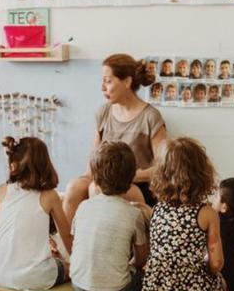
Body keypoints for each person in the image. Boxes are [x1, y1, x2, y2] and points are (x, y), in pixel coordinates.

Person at [142, 138, 226, 291]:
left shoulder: (157, 208)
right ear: (203, 173)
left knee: (176, 289)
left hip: (155, 287)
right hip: (188, 289)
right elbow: (217, 263)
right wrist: (212, 272)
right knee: (218, 286)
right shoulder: (206, 212)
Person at [0, 136, 74, 291]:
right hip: (33, 276)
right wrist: (75, 261)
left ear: (13, 165)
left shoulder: (2, 191)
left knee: (24, 267)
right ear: (45, 165)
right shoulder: (50, 196)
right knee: (68, 269)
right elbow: (67, 237)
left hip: (0, 273)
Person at [69, 141, 149, 291]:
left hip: (79, 283)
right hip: (115, 288)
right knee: (149, 278)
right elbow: (142, 259)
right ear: (132, 177)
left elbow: (79, 243)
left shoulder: (83, 206)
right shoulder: (134, 215)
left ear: (94, 175)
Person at [62, 54, 165, 221]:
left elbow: (163, 167)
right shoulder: (103, 113)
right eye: (102, 81)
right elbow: (93, 160)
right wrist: (88, 177)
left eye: (108, 81)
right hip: (104, 181)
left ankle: (101, 242)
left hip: (136, 185)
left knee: (96, 189)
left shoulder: (151, 117)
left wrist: (134, 176)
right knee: (74, 187)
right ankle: (73, 246)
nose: (102, 87)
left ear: (127, 82)